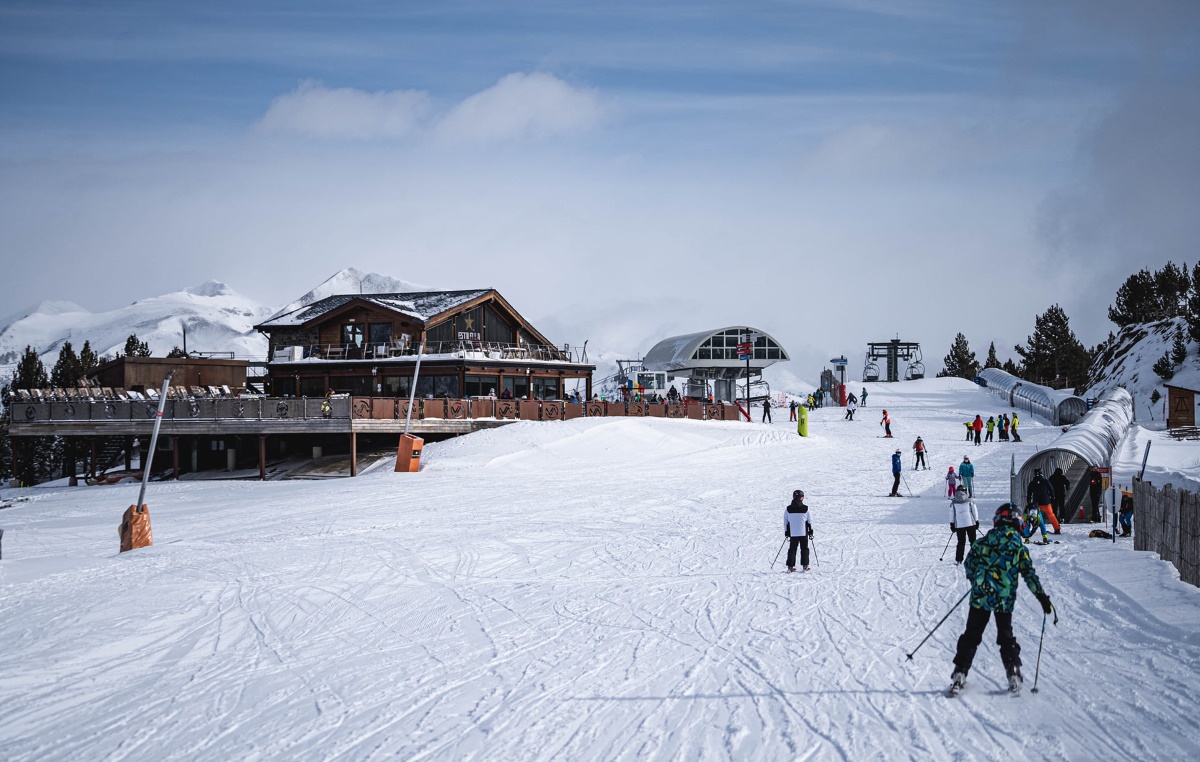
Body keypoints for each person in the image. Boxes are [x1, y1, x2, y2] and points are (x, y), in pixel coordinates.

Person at [949, 503, 1053, 695]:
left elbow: (969, 562)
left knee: (971, 635)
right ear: (1018, 523)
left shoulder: (983, 542)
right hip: (1004, 600)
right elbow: (1029, 575)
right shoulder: (1018, 547)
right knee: (1006, 637)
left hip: (980, 598)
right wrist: (1042, 598)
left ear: (997, 520)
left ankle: (960, 672)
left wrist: (975, 578)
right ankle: (1013, 672)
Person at [784, 489, 814, 572]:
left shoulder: (788, 509)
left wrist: (786, 531)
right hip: (803, 532)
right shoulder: (805, 508)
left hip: (793, 533)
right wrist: (811, 531)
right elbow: (809, 521)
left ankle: (790, 566)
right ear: (802, 498)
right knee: (804, 548)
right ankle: (805, 566)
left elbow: (785, 521)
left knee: (792, 549)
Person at [949, 484, 980, 564]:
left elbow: (952, 514)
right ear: (964, 491)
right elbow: (974, 511)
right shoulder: (970, 501)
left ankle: (959, 560)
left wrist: (952, 524)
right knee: (973, 541)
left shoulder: (954, 502)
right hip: (970, 523)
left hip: (960, 525)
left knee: (961, 542)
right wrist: (976, 521)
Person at [1026, 468, 1061, 534]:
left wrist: (1029, 502)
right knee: (1051, 515)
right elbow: (1051, 489)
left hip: (1036, 504)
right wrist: (1052, 498)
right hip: (1046, 502)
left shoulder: (1032, 483)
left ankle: (1032, 529)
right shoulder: (1045, 481)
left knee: (1034, 516)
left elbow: (1029, 493)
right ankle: (1057, 529)